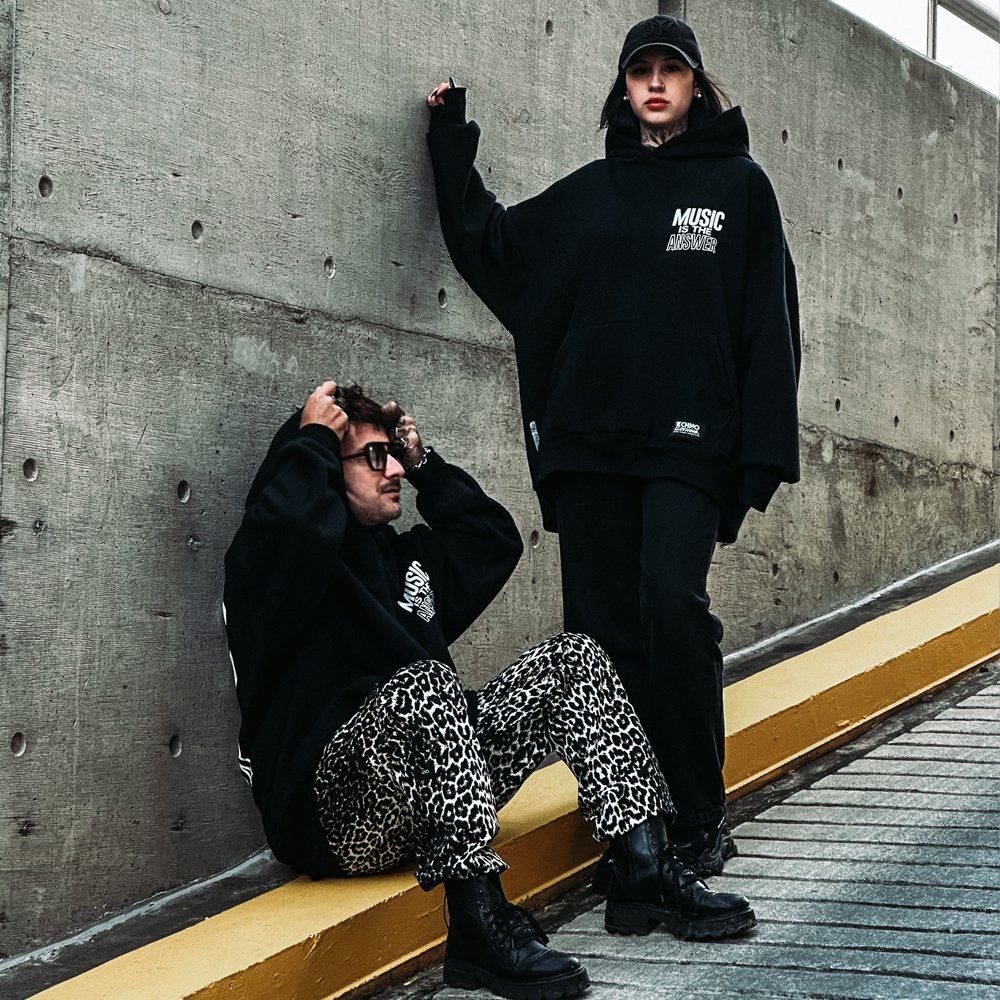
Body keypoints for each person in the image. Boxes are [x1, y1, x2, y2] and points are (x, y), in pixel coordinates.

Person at [224, 380, 757, 1000]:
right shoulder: (270, 564)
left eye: (393, 455)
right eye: (373, 457)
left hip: (432, 798)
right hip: (334, 819)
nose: (393, 470)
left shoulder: (402, 561)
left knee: (574, 657)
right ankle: (477, 918)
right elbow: (285, 531)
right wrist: (315, 437)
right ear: (321, 469)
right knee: (426, 684)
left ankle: (643, 864)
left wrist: (424, 462)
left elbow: (492, 538)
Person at [425, 13, 801, 881]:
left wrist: (757, 458)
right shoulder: (593, 194)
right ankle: (632, 832)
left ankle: (698, 817)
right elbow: (497, 247)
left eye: (673, 69)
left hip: (688, 446)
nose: (657, 83)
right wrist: (450, 143)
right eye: (642, 71)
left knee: (672, 605)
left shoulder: (740, 186)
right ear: (624, 88)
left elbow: (769, 322)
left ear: (697, 86)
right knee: (600, 639)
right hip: (590, 447)